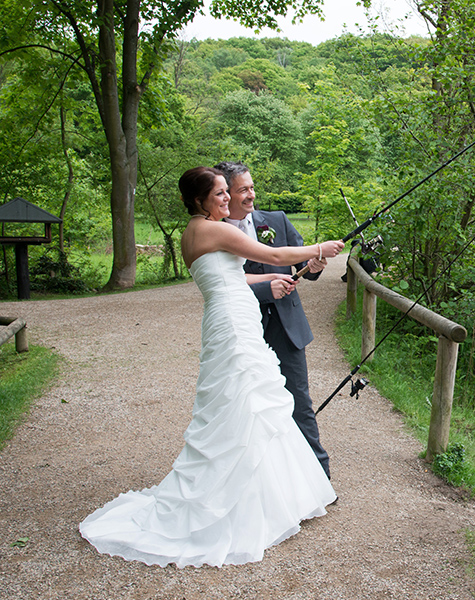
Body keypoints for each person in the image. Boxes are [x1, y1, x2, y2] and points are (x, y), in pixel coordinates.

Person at [79, 167, 344, 568]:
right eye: (220, 194)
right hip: (233, 325)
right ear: (200, 200)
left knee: (245, 402)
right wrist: (319, 248)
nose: (228, 199)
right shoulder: (209, 230)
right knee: (245, 399)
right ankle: (237, 503)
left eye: (227, 192)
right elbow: (272, 255)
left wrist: (272, 280)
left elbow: (230, 278)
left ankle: (264, 494)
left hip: (230, 314)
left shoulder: (196, 232)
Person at [214, 161, 332, 479]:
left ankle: (318, 476)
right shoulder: (216, 231)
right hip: (244, 327)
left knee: (298, 399)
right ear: (225, 194)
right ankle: (260, 478)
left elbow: (302, 262)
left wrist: (315, 264)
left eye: (252, 187)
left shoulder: (276, 220)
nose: (251, 195)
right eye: (243, 190)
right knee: (247, 404)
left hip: (286, 325)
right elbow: (221, 283)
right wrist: (268, 287)